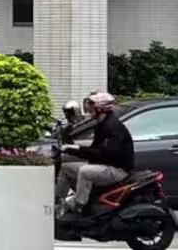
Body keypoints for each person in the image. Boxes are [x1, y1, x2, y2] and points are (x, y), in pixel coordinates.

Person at [56, 91, 134, 223]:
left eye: (92, 107)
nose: (89, 110)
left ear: (101, 109)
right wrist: (73, 149)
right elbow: (95, 150)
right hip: (105, 165)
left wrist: (77, 150)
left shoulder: (112, 127)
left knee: (85, 171)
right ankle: (58, 203)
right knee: (65, 168)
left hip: (116, 170)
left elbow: (104, 154)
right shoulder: (102, 124)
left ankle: (80, 208)